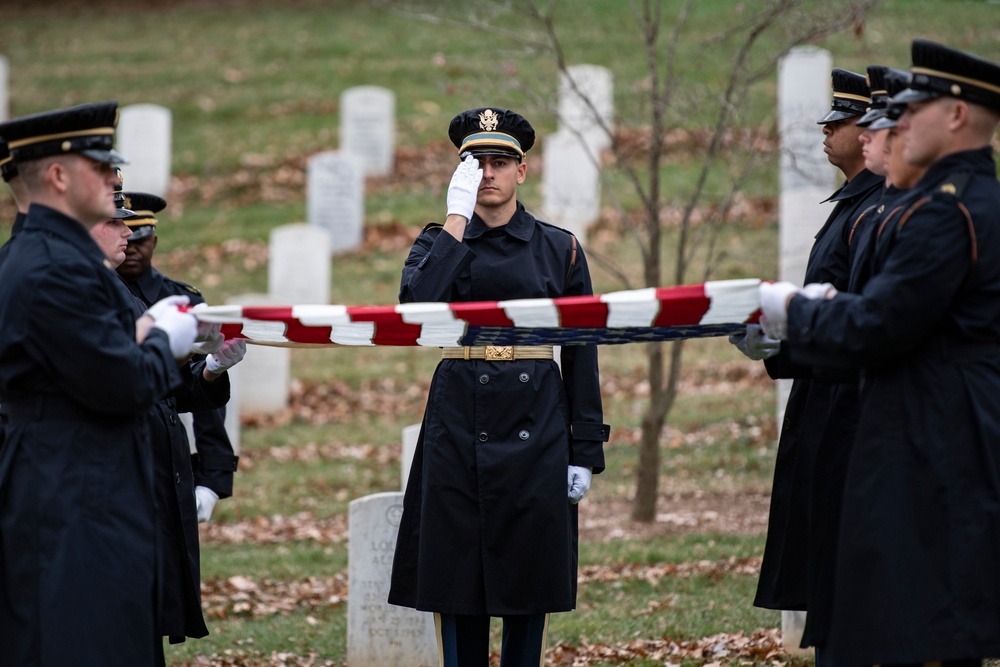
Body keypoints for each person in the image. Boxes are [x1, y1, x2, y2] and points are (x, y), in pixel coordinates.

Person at [759, 39, 1000, 666]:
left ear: (953, 117)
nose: (889, 125)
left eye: (908, 112)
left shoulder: (949, 212)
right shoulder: (936, 205)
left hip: (937, 443)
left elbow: (880, 323)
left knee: (920, 633)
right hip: (913, 432)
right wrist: (786, 334)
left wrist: (790, 310)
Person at [387, 107, 610, 667]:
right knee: (456, 580)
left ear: (522, 171)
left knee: (527, 583)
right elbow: (415, 311)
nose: (487, 173)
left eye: (499, 162)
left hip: (536, 421)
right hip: (459, 420)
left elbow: (582, 350)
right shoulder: (438, 242)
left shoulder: (559, 248)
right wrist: (455, 221)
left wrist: (585, 449)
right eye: (473, 163)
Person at [0, 101, 200, 667]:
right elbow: (125, 384)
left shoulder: (56, 257)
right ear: (59, 176)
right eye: (102, 167)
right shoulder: (55, 266)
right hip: (72, 497)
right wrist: (167, 335)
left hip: (81, 488)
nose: (116, 179)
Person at [732, 68, 883, 631]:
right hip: (825, 400)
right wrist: (776, 340)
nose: (826, 133)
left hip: (850, 410)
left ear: (869, 131)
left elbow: (858, 318)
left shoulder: (871, 211)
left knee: (844, 574)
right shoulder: (852, 205)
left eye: (837, 124)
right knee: (827, 570)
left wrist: (783, 335)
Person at [115, 190, 243, 658]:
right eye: (121, 230)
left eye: (140, 234)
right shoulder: (103, 293)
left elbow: (199, 403)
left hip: (163, 458)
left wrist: (212, 478)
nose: (131, 243)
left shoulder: (182, 299)